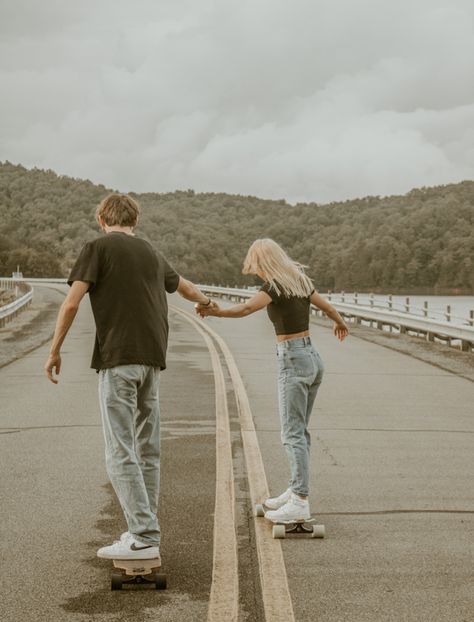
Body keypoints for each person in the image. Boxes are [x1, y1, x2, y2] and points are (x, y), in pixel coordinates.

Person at [44, 193, 214, 560]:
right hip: (152, 360)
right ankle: (144, 529)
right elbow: (183, 286)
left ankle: (142, 534)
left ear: (102, 218)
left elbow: (72, 301)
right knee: (147, 450)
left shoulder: (97, 247)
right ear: (134, 220)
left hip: (118, 360)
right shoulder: (151, 252)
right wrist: (205, 302)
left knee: (120, 451)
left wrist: (55, 350)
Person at [197, 238, 348, 524]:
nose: (256, 272)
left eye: (256, 266)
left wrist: (214, 311)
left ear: (262, 262)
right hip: (313, 358)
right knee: (300, 431)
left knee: (292, 433)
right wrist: (339, 322)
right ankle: (295, 490)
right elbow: (326, 307)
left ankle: (300, 500)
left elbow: (245, 309)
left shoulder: (275, 286)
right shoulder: (299, 281)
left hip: (293, 359)